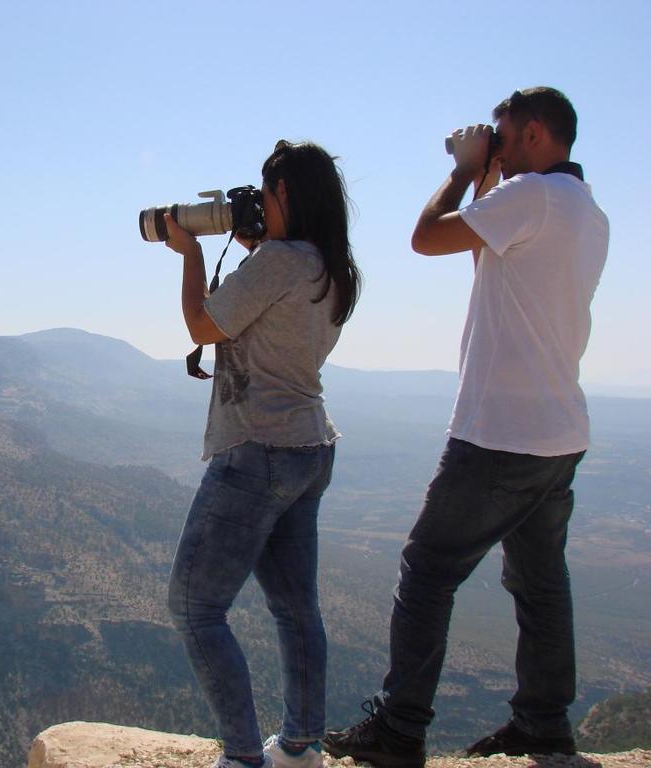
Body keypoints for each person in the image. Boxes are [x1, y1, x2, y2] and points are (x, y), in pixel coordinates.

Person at [323, 87, 609, 768]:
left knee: (426, 571)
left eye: (504, 138)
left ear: (536, 135)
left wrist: (459, 172)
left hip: (499, 433)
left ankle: (399, 731)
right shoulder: (584, 209)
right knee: (540, 583)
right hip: (559, 432)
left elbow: (426, 239)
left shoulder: (532, 195)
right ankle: (543, 724)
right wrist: (486, 175)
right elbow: (484, 255)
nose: (497, 148)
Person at [162, 139, 361, 768]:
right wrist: (253, 245)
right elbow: (272, 301)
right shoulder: (326, 265)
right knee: (296, 607)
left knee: (195, 606)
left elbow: (201, 326)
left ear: (287, 195)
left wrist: (190, 253)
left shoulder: (278, 262)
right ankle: (301, 745)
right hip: (309, 447)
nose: (259, 200)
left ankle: (244, 757)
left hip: (257, 451)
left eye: (267, 190)